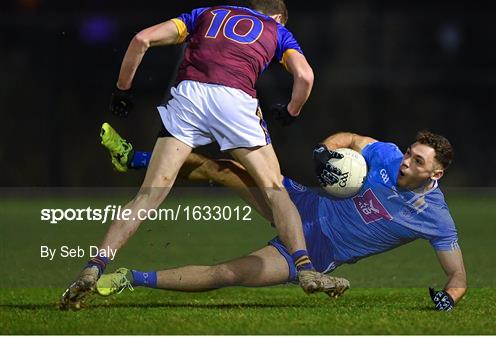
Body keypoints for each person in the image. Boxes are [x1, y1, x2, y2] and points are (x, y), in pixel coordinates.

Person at [60, 0, 348, 310]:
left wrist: (123, 90)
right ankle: (306, 269)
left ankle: (93, 267)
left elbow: (141, 39)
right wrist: (292, 111)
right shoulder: (278, 30)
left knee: (148, 196)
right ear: (278, 16)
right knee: (274, 189)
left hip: (190, 96)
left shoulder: (205, 14)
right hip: (235, 100)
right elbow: (305, 77)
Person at [97, 124, 467, 310]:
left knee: (227, 273)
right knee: (225, 168)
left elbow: (458, 277)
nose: (406, 161)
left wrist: (448, 299)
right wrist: (325, 150)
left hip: (319, 250)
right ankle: (135, 159)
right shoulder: (387, 156)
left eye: (418, 161)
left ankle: (132, 278)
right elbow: (352, 139)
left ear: (435, 174)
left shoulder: (435, 218)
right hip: (304, 203)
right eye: (409, 153)